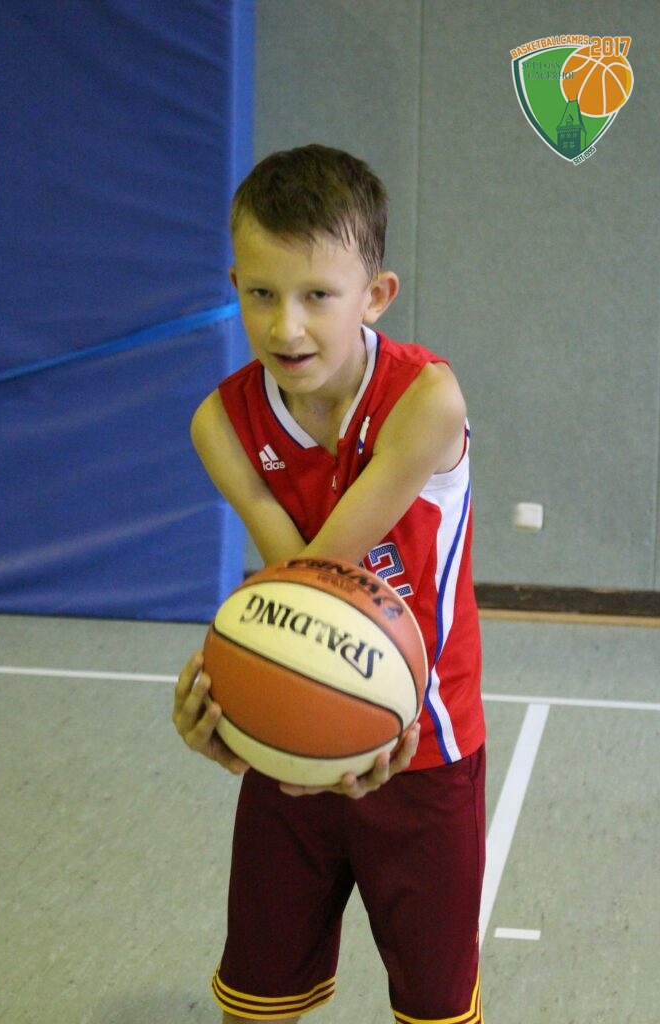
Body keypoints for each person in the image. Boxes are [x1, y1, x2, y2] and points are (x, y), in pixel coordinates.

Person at [173, 144, 486, 1024]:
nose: (286, 328)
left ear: (374, 295)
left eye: (318, 295)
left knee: (434, 1011)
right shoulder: (220, 422)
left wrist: (293, 706)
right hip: (302, 727)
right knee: (257, 1001)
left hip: (421, 743)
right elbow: (289, 583)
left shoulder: (425, 400)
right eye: (260, 293)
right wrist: (228, 710)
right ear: (233, 285)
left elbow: (325, 581)